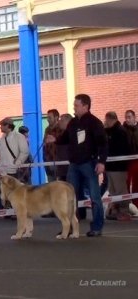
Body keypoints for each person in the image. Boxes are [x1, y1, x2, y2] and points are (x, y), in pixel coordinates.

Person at [46, 94, 107, 237]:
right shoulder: (73, 123)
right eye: (74, 105)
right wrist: (55, 139)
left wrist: (101, 162)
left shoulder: (94, 123)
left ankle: (97, 227)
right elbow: (65, 138)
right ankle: (70, 227)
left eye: (76, 105)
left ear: (85, 106)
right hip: (73, 165)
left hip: (89, 163)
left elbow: (103, 144)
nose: (74, 108)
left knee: (95, 197)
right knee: (70, 197)